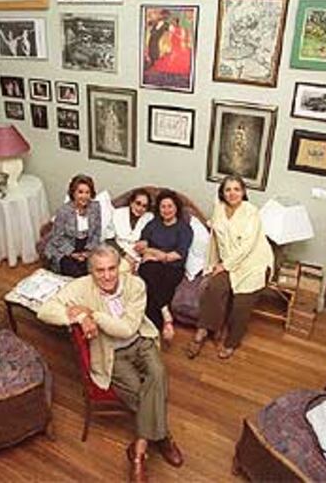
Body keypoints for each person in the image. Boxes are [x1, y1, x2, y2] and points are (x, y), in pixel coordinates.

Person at [37, 245, 183, 482]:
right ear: (91, 272)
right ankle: (163, 437)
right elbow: (45, 310)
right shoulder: (82, 286)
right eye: (100, 270)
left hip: (139, 341)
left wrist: (92, 314)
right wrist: (81, 316)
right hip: (111, 352)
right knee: (140, 392)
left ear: (119, 268)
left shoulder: (136, 285)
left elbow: (127, 329)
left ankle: (138, 450)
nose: (106, 276)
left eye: (111, 269)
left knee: (158, 373)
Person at [187, 175, 274, 360]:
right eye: (228, 189)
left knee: (241, 305)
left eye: (236, 189)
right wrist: (213, 264)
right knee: (214, 288)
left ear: (243, 192)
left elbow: (247, 246)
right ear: (222, 193)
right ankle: (204, 330)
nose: (232, 193)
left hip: (253, 263)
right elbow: (217, 232)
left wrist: (224, 265)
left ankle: (231, 342)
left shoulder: (251, 212)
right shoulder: (219, 208)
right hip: (230, 262)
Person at [135, 190, 193, 344]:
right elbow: (141, 245)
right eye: (163, 207)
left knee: (158, 286)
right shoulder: (153, 224)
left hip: (173, 267)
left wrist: (155, 253)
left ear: (176, 208)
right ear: (158, 209)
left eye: (170, 206)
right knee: (148, 270)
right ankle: (166, 317)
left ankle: (150, 332)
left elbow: (178, 254)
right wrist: (148, 250)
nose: (166, 210)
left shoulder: (184, 228)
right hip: (152, 266)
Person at [44, 174, 102, 276]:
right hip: (66, 248)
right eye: (80, 192)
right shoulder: (63, 211)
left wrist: (88, 252)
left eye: (87, 192)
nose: (84, 196)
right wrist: (72, 253)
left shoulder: (95, 208)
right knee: (74, 272)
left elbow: (97, 233)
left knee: (92, 272)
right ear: (73, 193)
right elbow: (57, 238)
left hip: (87, 247)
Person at [112, 189, 154, 270]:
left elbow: (154, 237)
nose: (140, 208)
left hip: (137, 257)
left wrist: (147, 242)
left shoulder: (150, 217)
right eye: (138, 203)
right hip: (117, 253)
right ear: (131, 202)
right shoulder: (117, 213)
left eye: (144, 206)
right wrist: (124, 255)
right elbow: (108, 240)